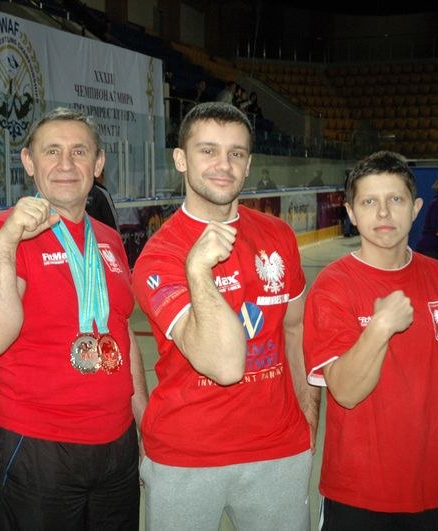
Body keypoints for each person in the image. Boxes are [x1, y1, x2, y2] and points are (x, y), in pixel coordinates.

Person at [130, 102, 319, 530]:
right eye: (208, 150)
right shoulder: (160, 256)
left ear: (249, 164)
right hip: (186, 458)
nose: (223, 164)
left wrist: (308, 425)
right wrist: (198, 268)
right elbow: (223, 366)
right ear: (181, 159)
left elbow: (295, 330)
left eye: (236, 153)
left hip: (279, 455)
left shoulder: (278, 235)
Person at [0, 107, 148, 530]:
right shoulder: (0, 233)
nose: (66, 164)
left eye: (79, 151)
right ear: (29, 162)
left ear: (98, 163)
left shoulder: (107, 240)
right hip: (37, 445)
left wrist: (145, 419)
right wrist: (8, 242)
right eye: (52, 151)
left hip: (116, 443)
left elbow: (119, 332)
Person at [303, 151, 438, 531]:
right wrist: (380, 327)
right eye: (369, 201)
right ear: (352, 213)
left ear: (416, 207)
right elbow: (345, 391)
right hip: (357, 493)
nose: (384, 213)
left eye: (396, 200)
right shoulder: (332, 287)